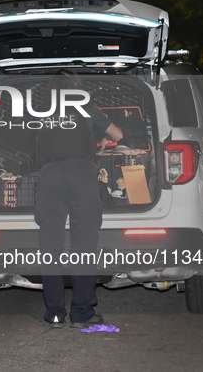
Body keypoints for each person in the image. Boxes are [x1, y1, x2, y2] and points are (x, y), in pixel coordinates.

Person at [34, 71, 123, 329]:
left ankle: (53, 312)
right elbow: (117, 134)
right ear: (76, 88)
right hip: (81, 174)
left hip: (50, 175)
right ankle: (82, 312)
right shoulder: (86, 107)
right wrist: (103, 138)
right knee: (83, 245)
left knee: (50, 246)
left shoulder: (40, 109)